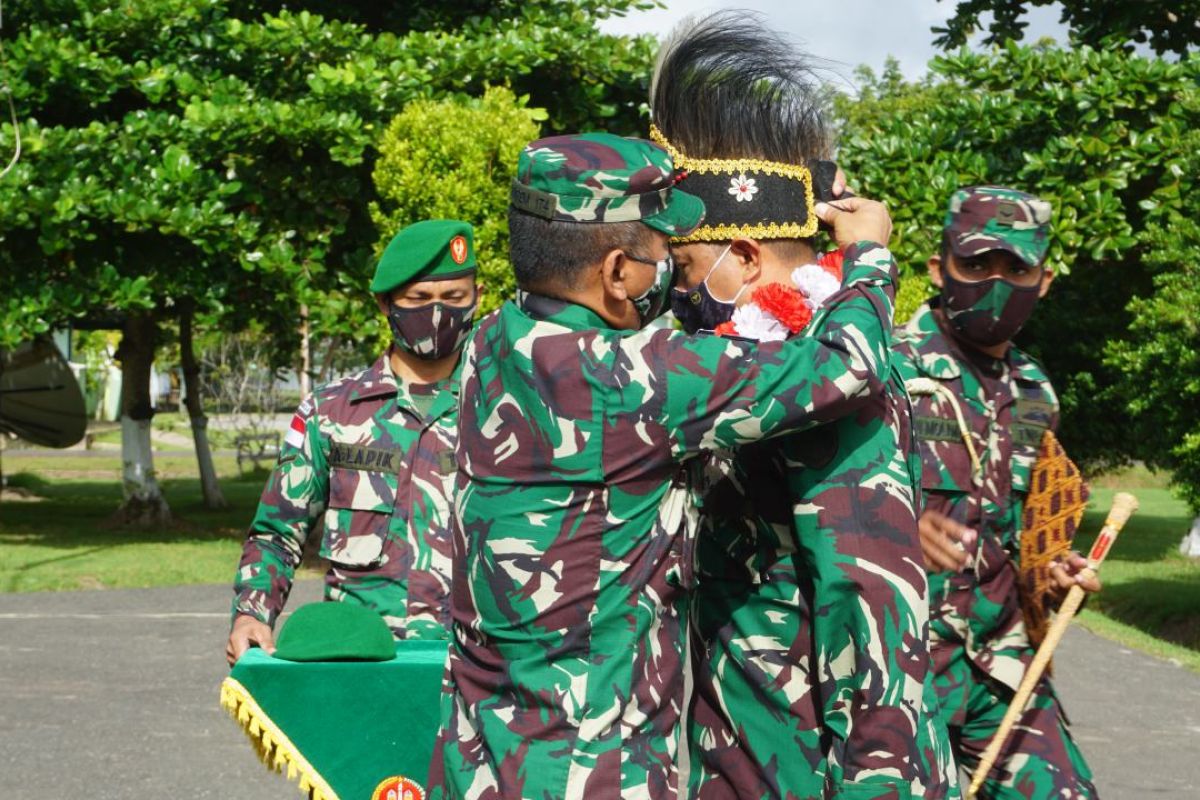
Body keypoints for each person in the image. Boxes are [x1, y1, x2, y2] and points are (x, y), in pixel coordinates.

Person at [429, 130, 900, 799]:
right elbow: (845, 368)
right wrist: (868, 256)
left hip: (477, 757)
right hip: (588, 771)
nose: (674, 278)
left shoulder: (491, 343)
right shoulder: (638, 377)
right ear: (618, 272)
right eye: (665, 259)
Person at [649, 14, 957, 798]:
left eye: (686, 268)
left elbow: (871, 611)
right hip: (744, 756)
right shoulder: (753, 372)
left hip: (817, 771)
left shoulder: (826, 395)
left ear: (743, 257)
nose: (675, 292)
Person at [894, 186, 1100, 798]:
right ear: (938, 268)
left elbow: (1024, 537)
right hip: (898, 666)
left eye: (1017, 268)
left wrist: (1056, 577)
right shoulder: (882, 368)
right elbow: (807, 504)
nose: (996, 281)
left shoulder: (1037, 394)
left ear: (1046, 281)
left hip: (1000, 662)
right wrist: (892, 528)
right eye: (976, 263)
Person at [225, 219, 478, 666]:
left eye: (454, 298)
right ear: (386, 303)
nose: (439, 312)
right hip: (361, 660)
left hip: (477, 667)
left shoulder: (506, 409)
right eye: (419, 299)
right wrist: (252, 613)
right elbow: (278, 531)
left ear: (476, 297)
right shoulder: (331, 413)